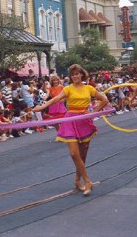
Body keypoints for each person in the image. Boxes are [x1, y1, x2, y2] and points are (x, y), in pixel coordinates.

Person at [33, 64, 109, 196]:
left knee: (83, 154)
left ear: (81, 74)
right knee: (74, 154)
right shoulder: (68, 89)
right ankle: (87, 181)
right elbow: (56, 99)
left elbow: (104, 100)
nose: (75, 76)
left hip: (84, 121)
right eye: (72, 74)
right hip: (70, 120)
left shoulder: (89, 88)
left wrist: (93, 113)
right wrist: (41, 107)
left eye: (77, 73)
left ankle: (77, 181)